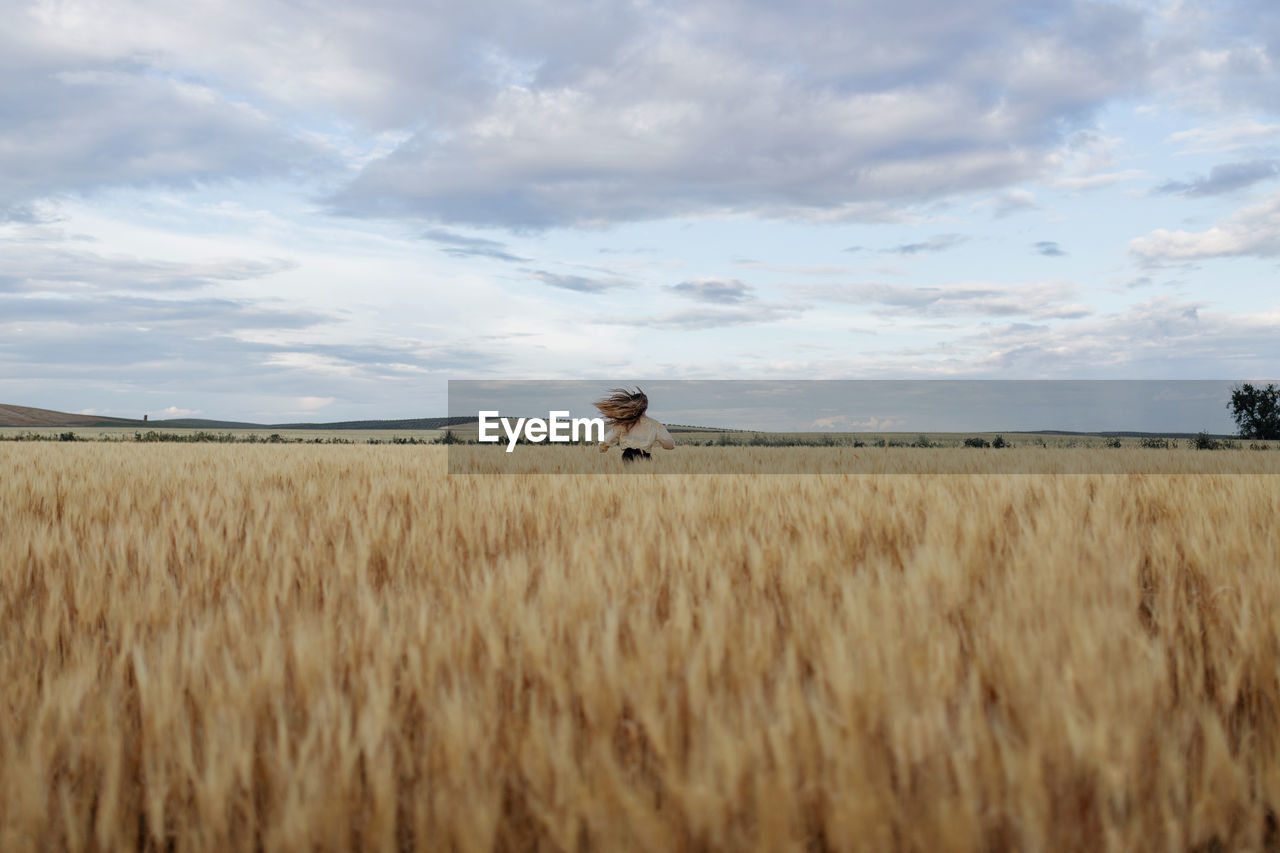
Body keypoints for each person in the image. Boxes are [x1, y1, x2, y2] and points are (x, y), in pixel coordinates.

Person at [595, 387, 675, 462]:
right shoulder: (655, 424)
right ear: (646, 407)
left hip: (628, 457)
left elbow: (607, 440)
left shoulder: (624, 423)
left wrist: (602, 449)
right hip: (645, 458)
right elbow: (669, 444)